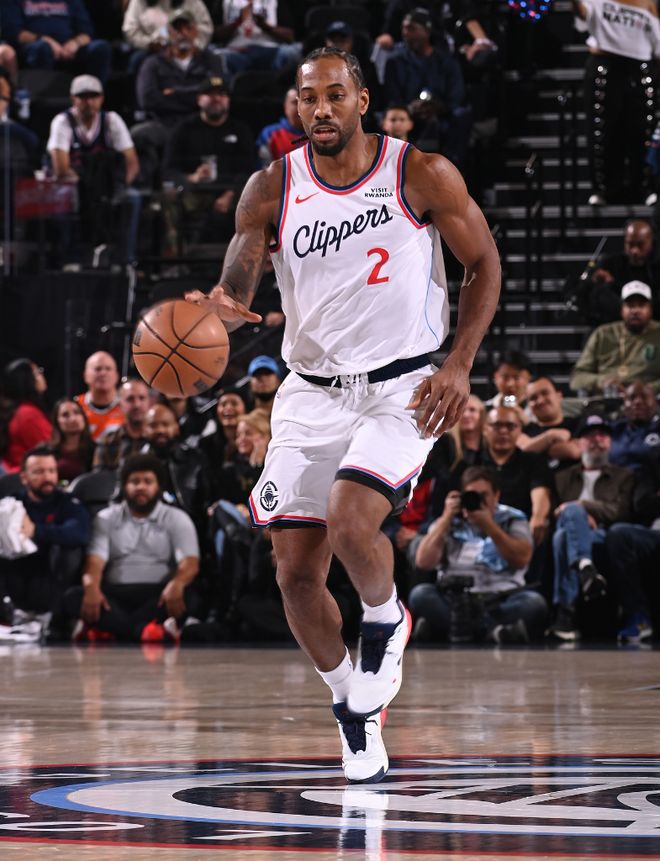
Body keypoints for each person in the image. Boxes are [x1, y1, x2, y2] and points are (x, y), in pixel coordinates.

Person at [186, 47, 500, 783]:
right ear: (295, 106)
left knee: (351, 521)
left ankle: (387, 618)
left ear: (362, 100)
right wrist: (219, 310)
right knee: (295, 573)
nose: (320, 109)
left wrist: (458, 363)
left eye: (334, 95)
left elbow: (483, 263)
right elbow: (239, 276)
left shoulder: (420, 172)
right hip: (311, 391)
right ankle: (351, 709)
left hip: (402, 385)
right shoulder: (271, 186)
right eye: (308, 98)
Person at [64, 453, 200, 642]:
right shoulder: (106, 518)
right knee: (74, 597)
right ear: (124, 486)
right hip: (114, 594)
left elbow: (190, 563)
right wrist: (91, 587)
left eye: (148, 482)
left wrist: (177, 584)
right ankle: (145, 631)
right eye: (135, 482)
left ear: (158, 486)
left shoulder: (177, 518)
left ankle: (113, 630)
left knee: (190, 597)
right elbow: (94, 562)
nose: (141, 487)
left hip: (159, 594)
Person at [409, 466, 546, 643]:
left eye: (484, 495)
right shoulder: (449, 519)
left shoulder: (512, 519)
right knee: (420, 595)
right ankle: (494, 632)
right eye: (473, 495)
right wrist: (446, 519)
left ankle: (451, 629)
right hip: (455, 599)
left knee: (533, 603)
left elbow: (521, 559)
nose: (478, 500)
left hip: (499, 599)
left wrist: (489, 526)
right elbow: (423, 562)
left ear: (496, 496)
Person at [547, 414, 634, 641]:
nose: (596, 440)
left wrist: (582, 507)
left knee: (567, 526)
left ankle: (565, 613)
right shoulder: (562, 477)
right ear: (578, 443)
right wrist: (576, 515)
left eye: (602, 435)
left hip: (604, 534)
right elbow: (555, 514)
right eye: (590, 436)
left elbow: (619, 512)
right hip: (571, 531)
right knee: (563, 533)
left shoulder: (624, 476)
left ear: (610, 443)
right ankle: (586, 568)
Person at [572, 0, 659, 206]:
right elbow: (584, 15)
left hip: (640, 67)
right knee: (603, 129)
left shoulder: (647, 3)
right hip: (604, 63)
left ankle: (644, 187)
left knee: (642, 130)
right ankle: (604, 188)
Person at [47, 75, 141, 264]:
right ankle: (69, 260)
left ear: (102, 98)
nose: (89, 102)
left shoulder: (111, 120)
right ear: (73, 99)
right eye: (83, 97)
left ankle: (125, 260)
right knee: (69, 201)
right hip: (74, 186)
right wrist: (90, 188)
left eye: (93, 96)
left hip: (107, 186)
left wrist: (119, 186)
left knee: (131, 198)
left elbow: (132, 163)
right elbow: (61, 169)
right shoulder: (63, 122)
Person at [0, 445, 90, 642]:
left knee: (70, 550)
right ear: (24, 477)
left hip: (52, 576)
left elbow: (80, 533)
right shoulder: (11, 504)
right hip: (16, 575)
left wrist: (36, 531)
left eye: (51, 471)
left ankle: (56, 619)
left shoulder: (68, 503)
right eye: (39, 472)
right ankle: (11, 615)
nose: (47, 477)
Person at [162, 74, 256, 251]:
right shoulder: (184, 129)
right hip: (195, 192)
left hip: (232, 193)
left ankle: (254, 259)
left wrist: (230, 193)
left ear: (228, 100)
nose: (216, 99)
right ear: (199, 100)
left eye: (221, 94)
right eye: (210, 94)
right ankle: (177, 258)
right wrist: (191, 178)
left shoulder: (240, 130)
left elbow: (249, 170)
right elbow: (169, 170)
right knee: (167, 198)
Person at [133, 9, 225, 185]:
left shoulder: (211, 60)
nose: (183, 34)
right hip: (165, 124)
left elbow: (215, 92)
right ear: (168, 32)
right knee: (140, 135)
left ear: (195, 31)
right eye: (177, 29)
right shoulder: (153, 63)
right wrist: (195, 95)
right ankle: (147, 190)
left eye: (187, 28)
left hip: (201, 123)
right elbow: (147, 100)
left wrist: (175, 93)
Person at [384, 9, 470, 167]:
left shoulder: (447, 62)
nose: (406, 33)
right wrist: (409, 108)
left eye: (411, 28)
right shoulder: (394, 62)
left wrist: (438, 107)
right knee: (394, 117)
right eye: (404, 28)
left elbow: (456, 97)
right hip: (408, 114)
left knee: (461, 115)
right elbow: (392, 96)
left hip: (442, 115)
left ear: (427, 31)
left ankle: (454, 168)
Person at [605, 450, 660, 643]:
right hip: (654, 534)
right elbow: (643, 503)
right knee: (619, 534)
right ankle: (639, 617)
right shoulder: (654, 462)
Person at [570, 281, 660, 395]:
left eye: (641, 305)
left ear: (650, 309)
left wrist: (647, 389)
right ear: (622, 309)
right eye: (630, 305)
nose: (635, 311)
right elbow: (577, 378)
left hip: (650, 399)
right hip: (607, 397)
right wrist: (602, 382)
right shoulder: (603, 334)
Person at [1, 0, 112, 82]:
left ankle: (95, 97)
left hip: (69, 47)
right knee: (42, 48)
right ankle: (40, 99)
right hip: (33, 46)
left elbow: (87, 32)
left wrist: (75, 43)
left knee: (101, 48)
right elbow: (13, 32)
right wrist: (45, 40)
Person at [578, 220, 660, 324]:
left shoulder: (657, 267)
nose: (635, 250)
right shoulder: (609, 264)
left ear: (651, 242)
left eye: (640, 244)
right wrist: (597, 282)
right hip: (615, 323)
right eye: (630, 244)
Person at [212, 0, 300, 81]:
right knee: (216, 56)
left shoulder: (275, 2)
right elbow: (215, 36)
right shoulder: (227, 2)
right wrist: (237, 22)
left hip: (270, 50)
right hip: (236, 53)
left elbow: (290, 37)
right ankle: (226, 91)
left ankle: (283, 89)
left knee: (292, 52)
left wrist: (265, 26)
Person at [518, 376, 581, 472]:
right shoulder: (522, 430)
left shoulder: (579, 424)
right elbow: (522, 453)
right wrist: (551, 435)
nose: (540, 401)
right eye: (533, 398)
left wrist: (538, 448)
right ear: (529, 406)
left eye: (545, 393)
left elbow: (575, 451)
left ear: (559, 396)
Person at [0, 359, 51, 473]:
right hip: (26, 475)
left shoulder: (19, 411)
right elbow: (48, 450)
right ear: (27, 380)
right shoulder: (27, 414)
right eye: (37, 372)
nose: (41, 375)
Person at [93, 378, 151, 470]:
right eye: (130, 399)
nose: (137, 404)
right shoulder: (108, 442)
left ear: (149, 402)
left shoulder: (157, 439)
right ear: (120, 404)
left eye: (142, 398)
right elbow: (99, 476)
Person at [608, 381, 660, 471]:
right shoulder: (613, 430)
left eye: (644, 397)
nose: (637, 402)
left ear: (655, 403)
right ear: (624, 404)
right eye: (632, 398)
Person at [75, 351, 124, 441]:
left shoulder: (128, 407)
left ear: (117, 376)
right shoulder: (75, 407)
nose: (103, 373)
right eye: (98, 369)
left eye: (108, 369)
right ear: (85, 375)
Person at [49, 398, 95, 484]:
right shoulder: (46, 451)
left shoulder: (96, 450)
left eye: (77, 412)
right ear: (57, 421)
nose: (73, 419)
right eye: (65, 415)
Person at [256, 87, 305, 166]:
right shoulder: (269, 134)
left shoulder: (320, 133)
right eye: (295, 102)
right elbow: (264, 168)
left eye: (306, 102)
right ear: (285, 106)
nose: (300, 107)